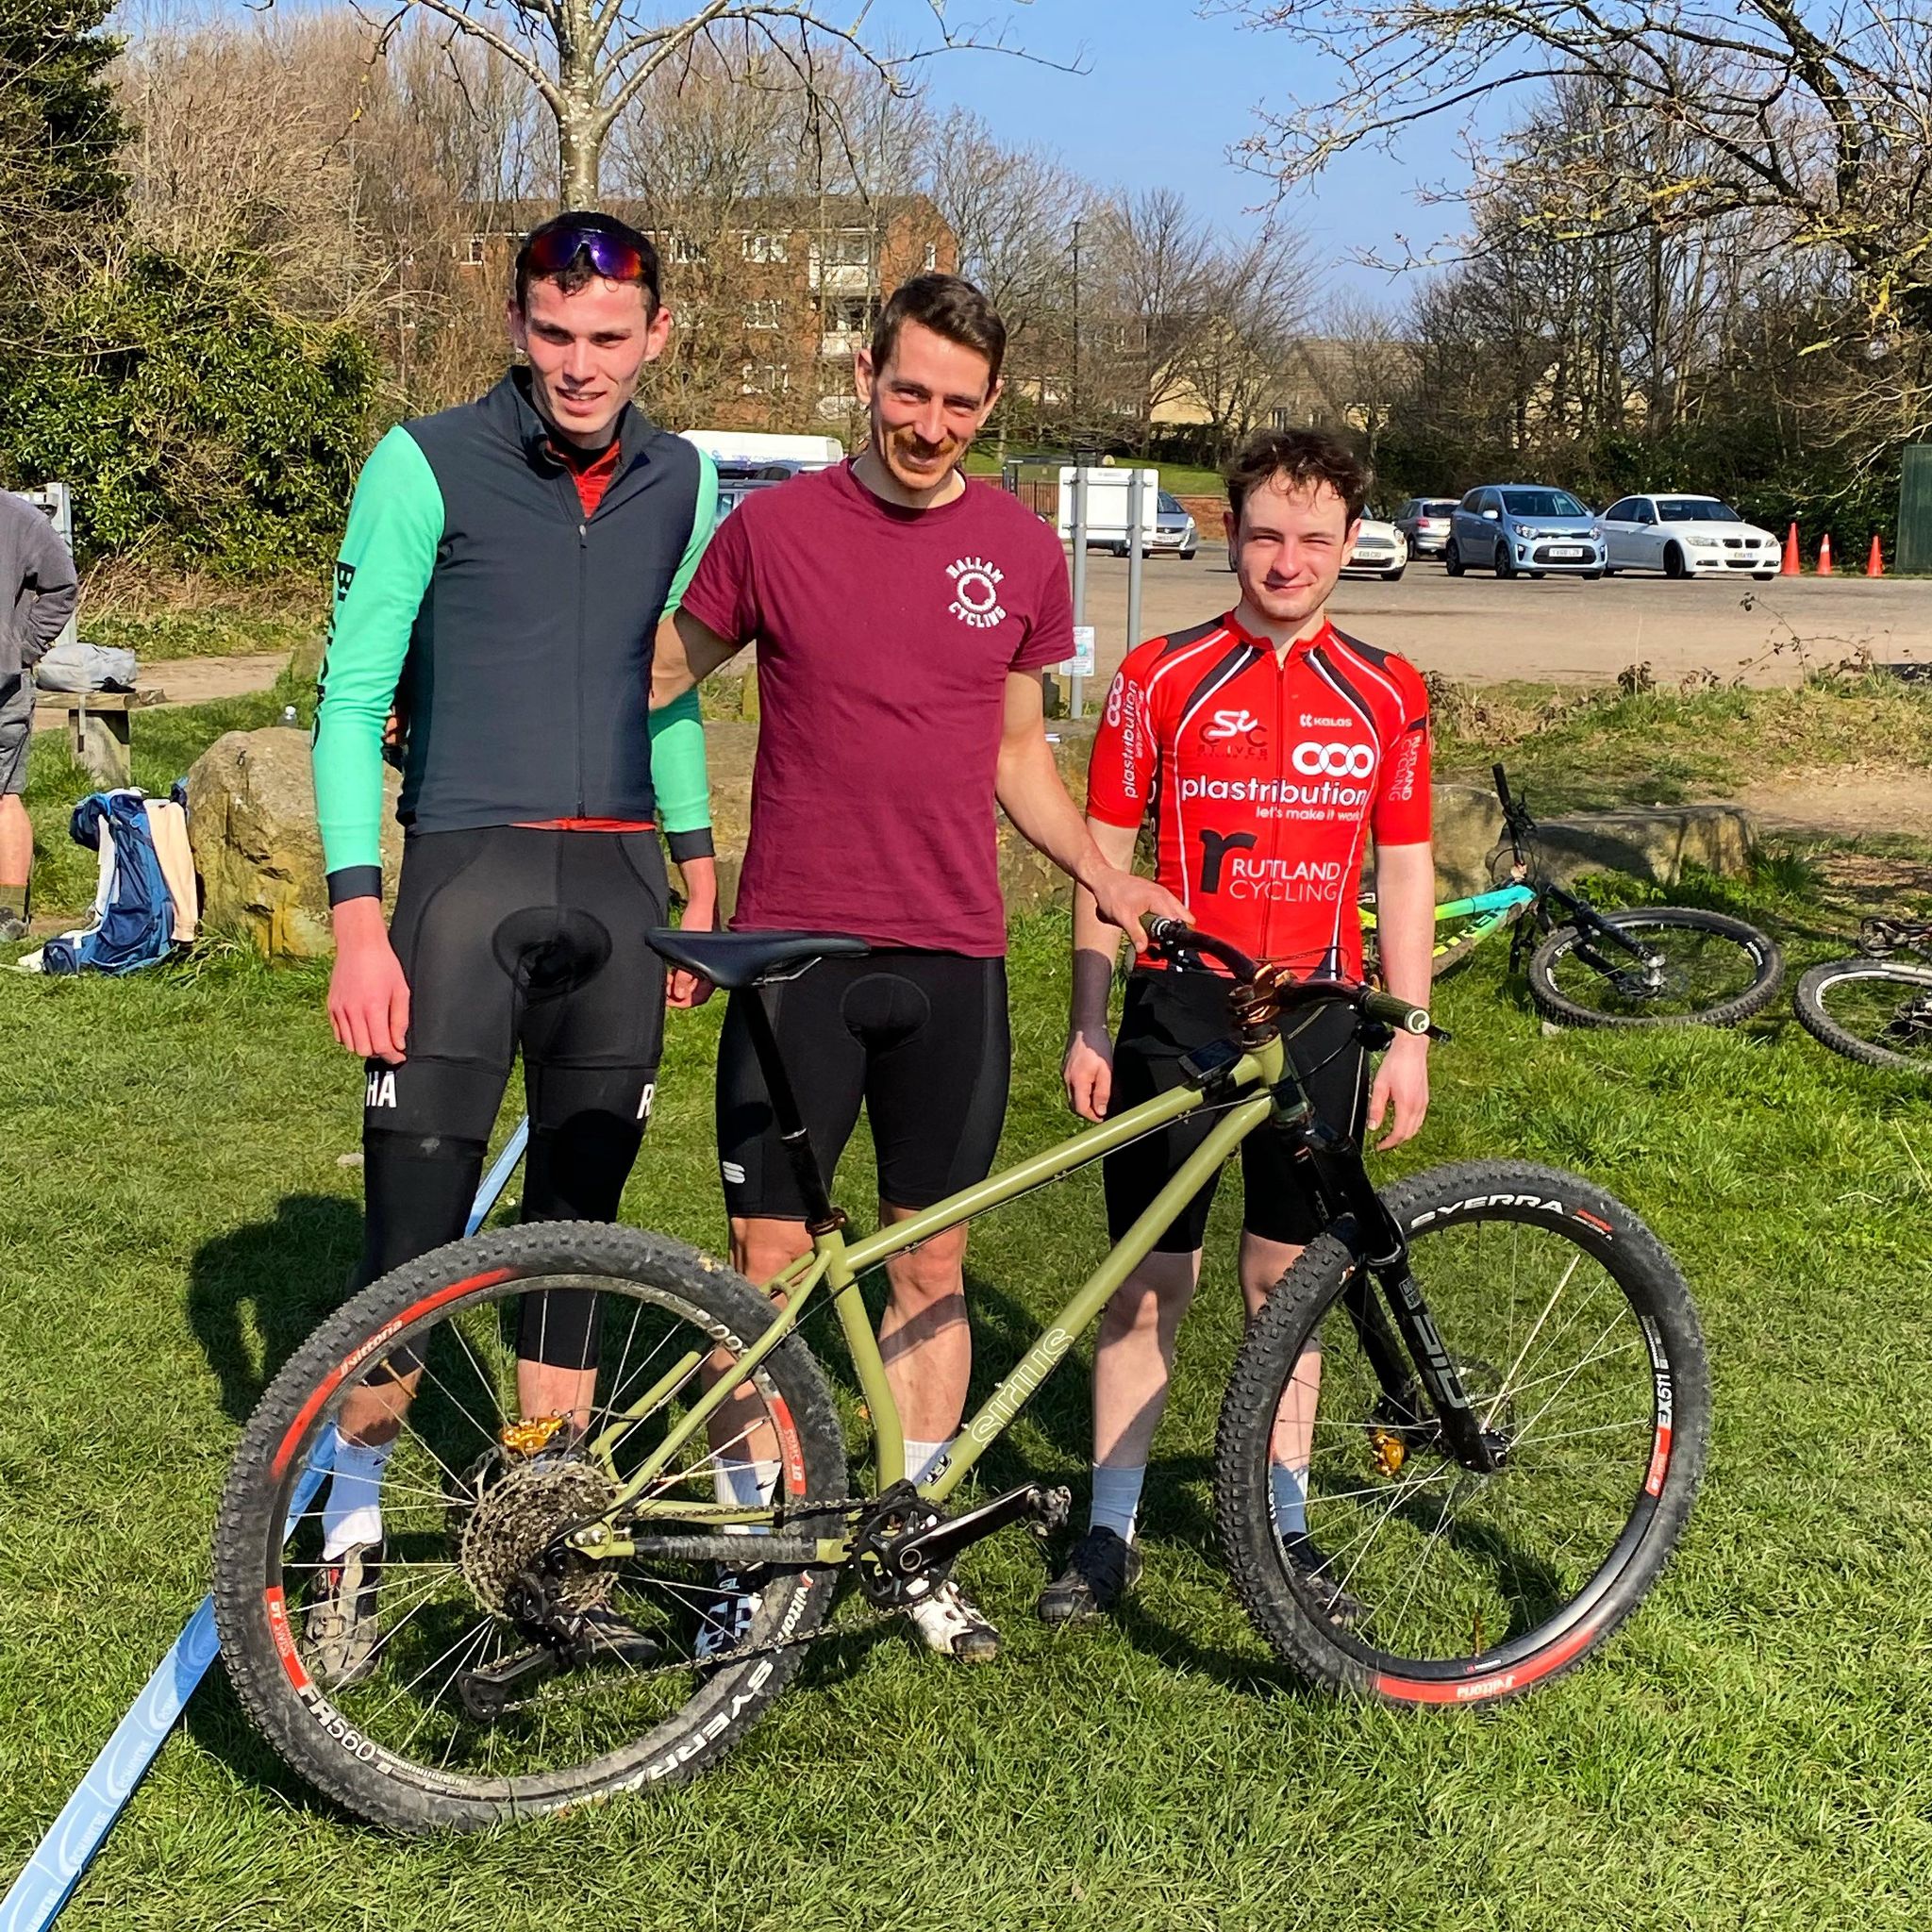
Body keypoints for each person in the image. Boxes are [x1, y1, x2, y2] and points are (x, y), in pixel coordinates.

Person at [656, 273, 1185, 1661]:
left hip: (953, 959)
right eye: (909, 392)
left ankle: (913, 1537)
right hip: (796, 958)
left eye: (959, 403)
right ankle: (745, 1556)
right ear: (865, 377)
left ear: (991, 407)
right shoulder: (770, 532)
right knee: (760, 1273)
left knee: (932, 1267)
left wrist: (1102, 874)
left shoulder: (1020, 549)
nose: (929, 424)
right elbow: (658, 674)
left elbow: (1020, 753)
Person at [304, 210, 719, 1683]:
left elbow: (671, 691)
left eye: (610, 339)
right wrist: (360, 912)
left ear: (658, 335)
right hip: (460, 886)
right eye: (555, 334)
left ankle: (546, 1537)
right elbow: (352, 704)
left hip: (616, 892)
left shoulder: (690, 476)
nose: (581, 365)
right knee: (408, 1248)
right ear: (517, 325)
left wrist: (696, 866)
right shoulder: (422, 461)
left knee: (576, 1238)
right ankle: (344, 1536)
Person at [1039, 427, 1435, 1626]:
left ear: (1350, 542)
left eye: (1314, 538)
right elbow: (1102, 860)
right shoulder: (1157, 674)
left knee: (1287, 1285)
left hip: (1316, 1015)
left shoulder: (1388, 688)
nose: (1286, 559)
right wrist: (1091, 1017)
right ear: (1229, 530)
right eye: (1265, 532)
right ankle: (1107, 1530)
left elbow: (1405, 868)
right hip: (1180, 1008)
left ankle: (1284, 1523)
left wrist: (1406, 1030)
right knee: (1146, 1282)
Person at [0, 493, 80, 941]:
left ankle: (8, 915)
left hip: (2, 684)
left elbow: (61, 586)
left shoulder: (19, 519)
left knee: (5, 796)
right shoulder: (22, 517)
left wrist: (24, 647)